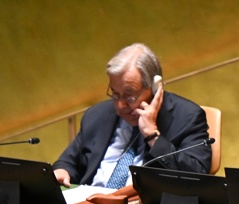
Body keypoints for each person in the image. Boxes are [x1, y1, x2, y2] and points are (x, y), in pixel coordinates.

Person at [52, 43, 211, 188]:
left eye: (130, 96)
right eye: (115, 94)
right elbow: (68, 162)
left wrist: (152, 135)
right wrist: (62, 171)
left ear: (155, 88)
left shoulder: (187, 116)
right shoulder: (97, 115)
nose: (121, 105)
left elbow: (197, 176)